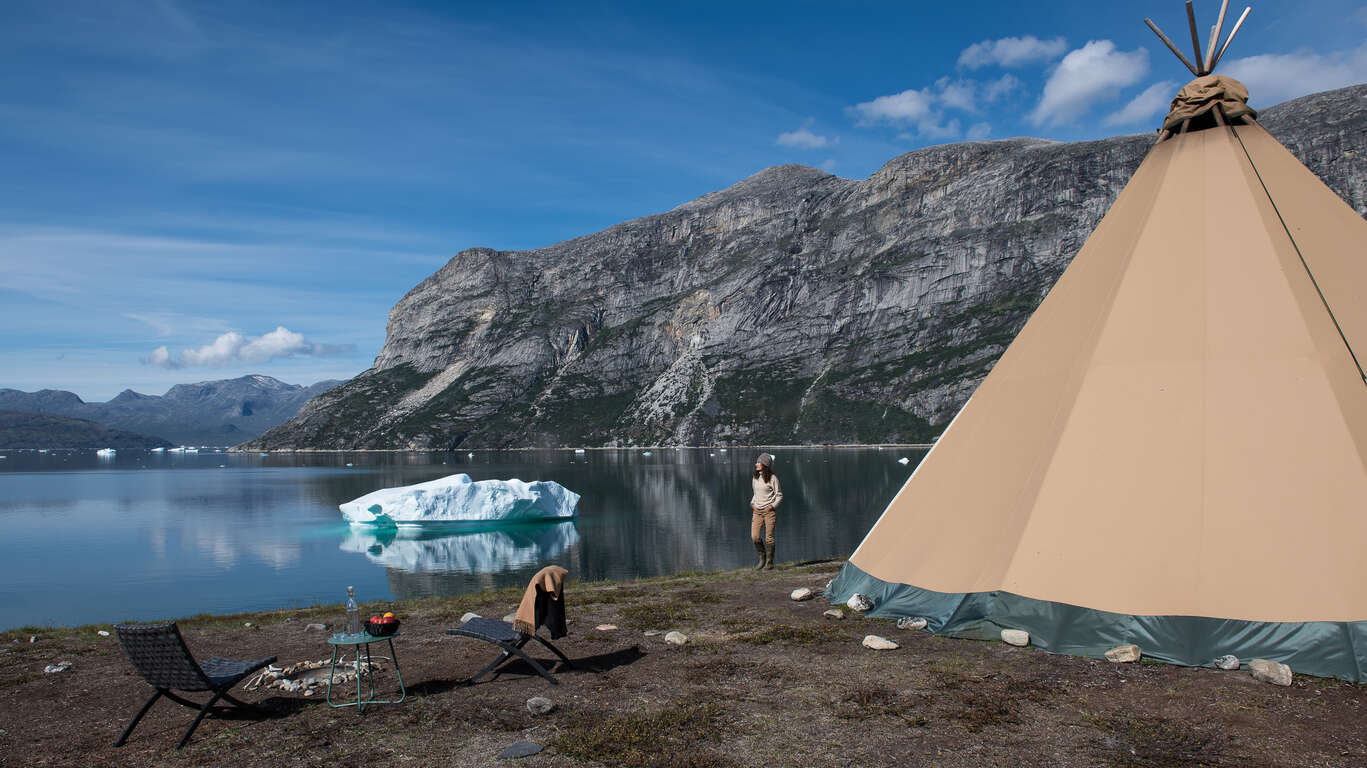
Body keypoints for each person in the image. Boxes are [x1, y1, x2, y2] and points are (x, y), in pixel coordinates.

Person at [749, 452, 782, 570]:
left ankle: (769, 562)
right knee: (755, 536)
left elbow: (779, 495)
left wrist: (772, 506)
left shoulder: (773, 478)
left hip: (769, 511)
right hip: (757, 510)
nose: (756, 464)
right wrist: (752, 503)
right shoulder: (755, 477)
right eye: (757, 462)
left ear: (765, 464)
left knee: (769, 537)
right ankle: (761, 558)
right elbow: (755, 493)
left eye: (758, 462)